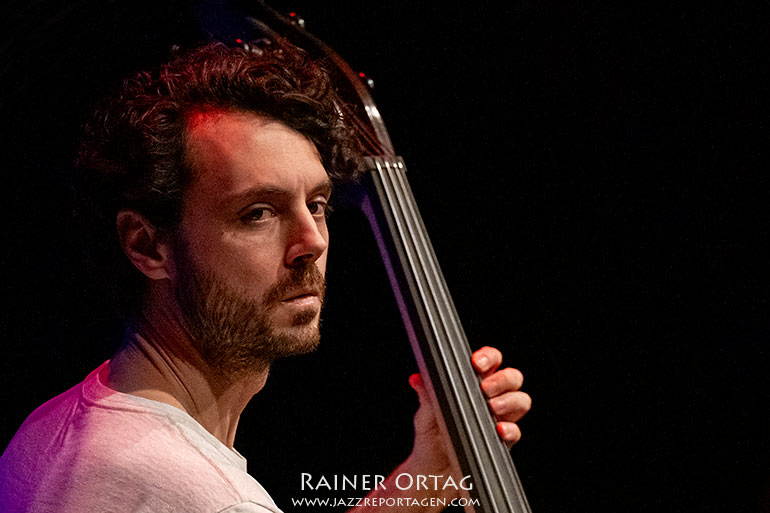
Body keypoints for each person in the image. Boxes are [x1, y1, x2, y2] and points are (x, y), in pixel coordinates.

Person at [0, 41, 531, 512]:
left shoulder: (48, 432)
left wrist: (428, 474)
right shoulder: (208, 495)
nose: (313, 241)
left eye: (317, 204)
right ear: (147, 244)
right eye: (258, 212)